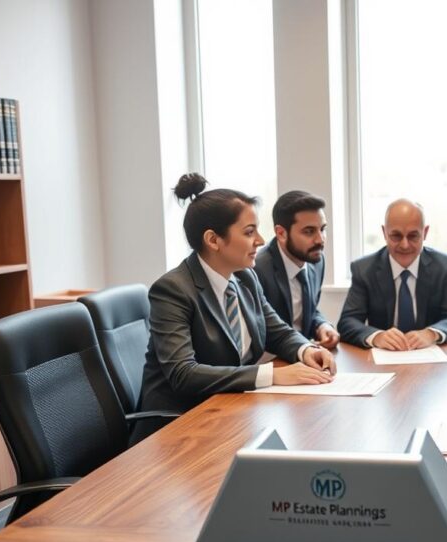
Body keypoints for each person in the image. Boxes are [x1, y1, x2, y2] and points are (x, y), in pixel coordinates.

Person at [135, 174, 336, 442]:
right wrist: (273, 375)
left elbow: (277, 330)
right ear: (213, 240)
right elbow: (184, 374)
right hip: (179, 429)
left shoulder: (244, 277)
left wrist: (306, 349)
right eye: (249, 232)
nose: (261, 240)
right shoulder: (173, 290)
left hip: (230, 415)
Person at [338, 199, 447, 350]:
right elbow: (347, 321)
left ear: (424, 233)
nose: (405, 245)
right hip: (382, 361)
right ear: (384, 233)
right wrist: (377, 336)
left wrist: (431, 334)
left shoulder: (443, 266)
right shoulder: (364, 269)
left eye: (413, 236)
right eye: (396, 236)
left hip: (429, 360)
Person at [253, 190, 339, 348]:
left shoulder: (316, 261)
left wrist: (322, 326)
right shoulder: (257, 270)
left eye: (323, 229)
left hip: (304, 356)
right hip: (274, 360)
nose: (320, 239)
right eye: (309, 231)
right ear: (281, 233)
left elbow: (308, 311)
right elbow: (263, 332)